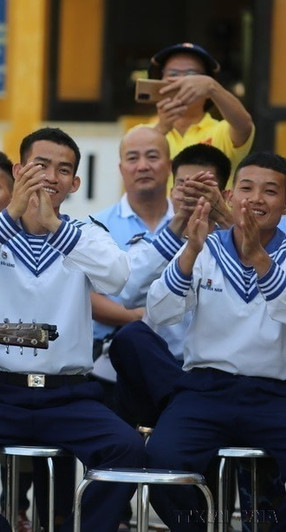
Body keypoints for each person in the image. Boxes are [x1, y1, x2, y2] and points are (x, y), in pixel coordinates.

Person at [0, 127, 145, 531]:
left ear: (75, 183)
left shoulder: (86, 233)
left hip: (69, 394)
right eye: (40, 165)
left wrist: (57, 228)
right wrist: (11, 214)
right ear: (19, 169)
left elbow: (118, 280)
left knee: (128, 448)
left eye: (63, 170)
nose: (50, 176)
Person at [145, 152, 286, 530]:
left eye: (270, 191)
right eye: (246, 188)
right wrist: (190, 249)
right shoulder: (205, 247)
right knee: (160, 460)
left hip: (276, 394)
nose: (256, 199)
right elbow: (159, 313)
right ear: (228, 195)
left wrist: (259, 257)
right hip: (205, 390)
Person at [109, 143, 232, 427]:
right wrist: (179, 225)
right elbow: (128, 294)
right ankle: (186, 405)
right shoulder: (155, 243)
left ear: (224, 195)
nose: (191, 196)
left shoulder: (244, 244)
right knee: (130, 337)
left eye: (201, 189)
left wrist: (225, 220)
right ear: (171, 191)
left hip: (219, 373)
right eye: (183, 188)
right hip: (162, 371)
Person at [88, 127, 173, 387]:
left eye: (152, 156)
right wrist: (140, 319)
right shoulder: (96, 226)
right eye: (133, 158)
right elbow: (84, 294)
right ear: (121, 167)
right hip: (111, 363)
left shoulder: (193, 224)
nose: (143, 166)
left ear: (169, 165)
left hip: (182, 360)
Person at [144, 42, 254, 173]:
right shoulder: (143, 131)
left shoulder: (222, 131)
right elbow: (137, 168)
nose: (182, 80)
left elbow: (244, 125)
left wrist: (212, 87)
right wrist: (161, 129)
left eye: (192, 74)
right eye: (173, 74)